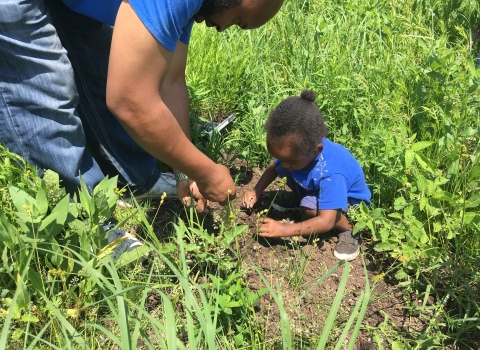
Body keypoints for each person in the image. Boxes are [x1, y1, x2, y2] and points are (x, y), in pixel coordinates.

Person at [0, 0, 283, 257]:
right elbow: (129, 101)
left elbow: (171, 82)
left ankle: (133, 180)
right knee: (48, 89)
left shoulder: (195, 6)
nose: (223, 29)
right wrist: (206, 171)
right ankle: (81, 219)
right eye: (238, 21)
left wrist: (185, 171)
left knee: (100, 64)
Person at [241, 90, 371, 261]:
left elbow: (326, 221)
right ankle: (301, 199)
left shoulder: (331, 173)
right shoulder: (299, 154)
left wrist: (283, 229)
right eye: (281, 159)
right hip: (319, 187)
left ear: (317, 150)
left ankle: (350, 230)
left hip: (349, 204)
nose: (284, 164)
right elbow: (274, 167)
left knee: (309, 207)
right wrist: (255, 191)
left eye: (290, 161)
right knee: (291, 172)